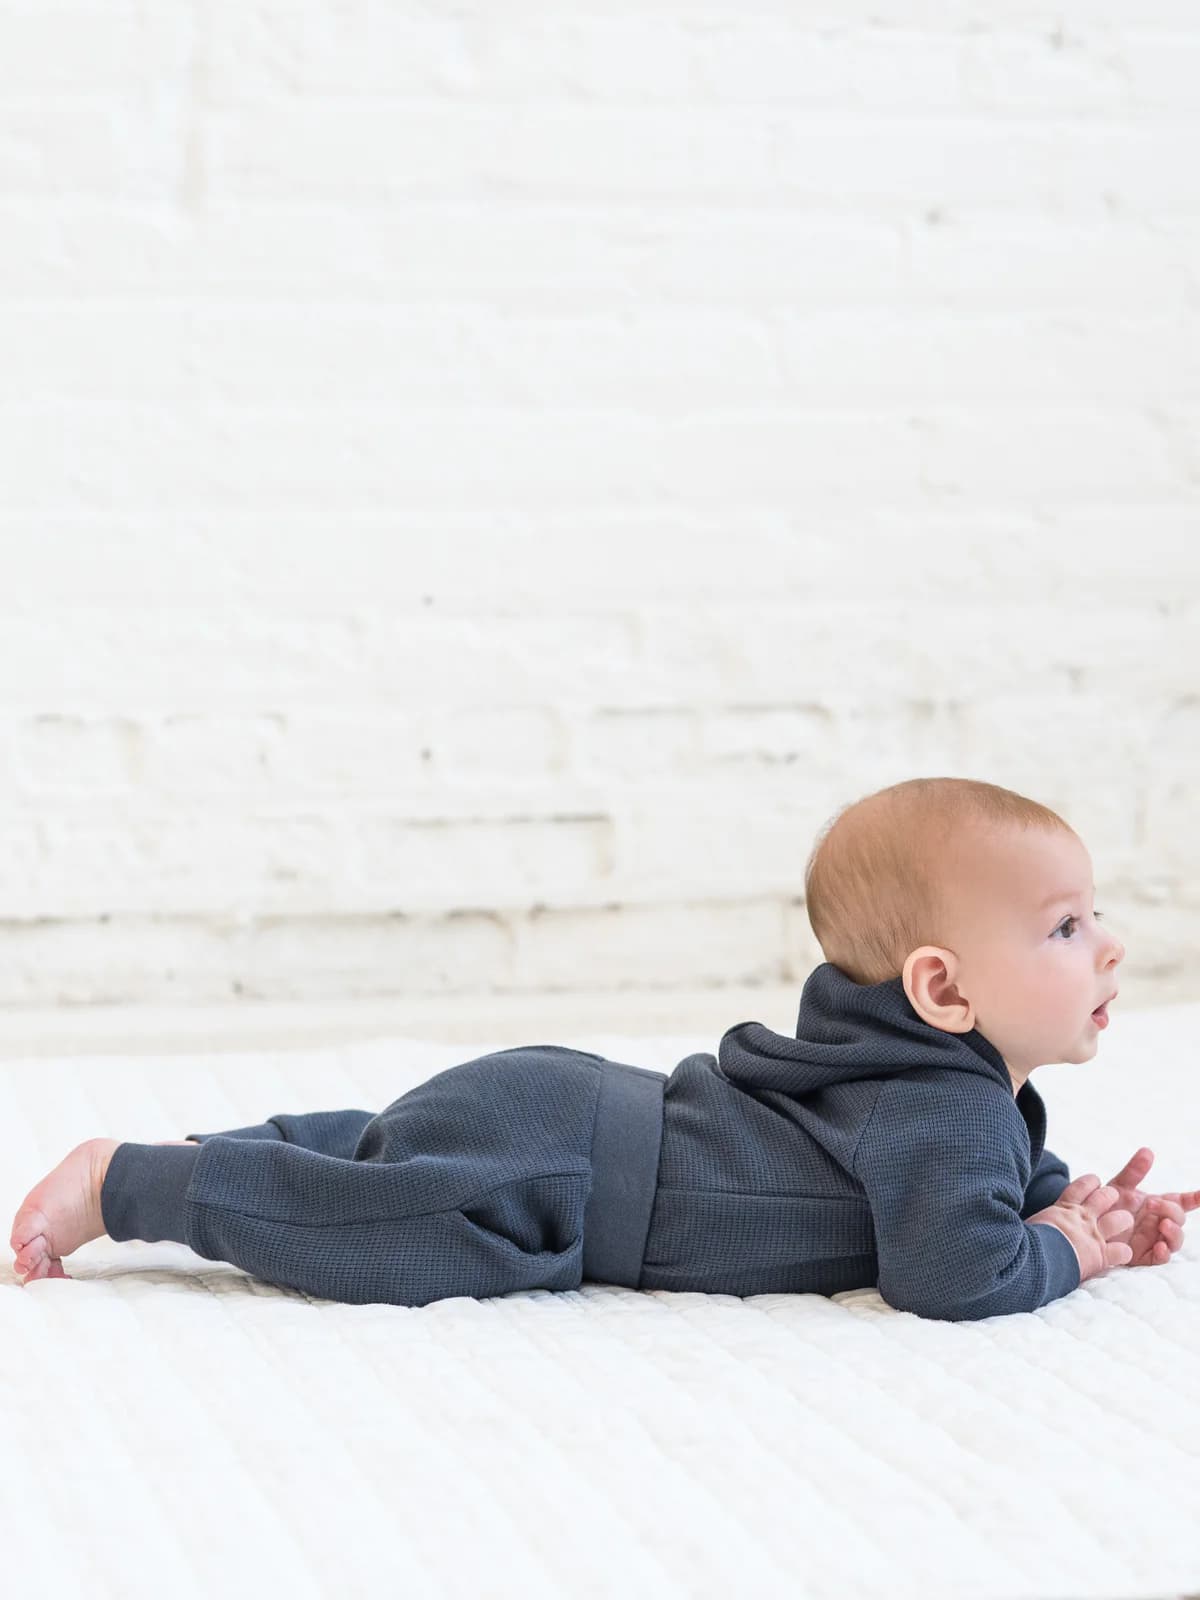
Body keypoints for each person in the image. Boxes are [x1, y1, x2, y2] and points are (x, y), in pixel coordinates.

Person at [10, 776, 1198, 1320]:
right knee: (362, 1230)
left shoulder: (939, 1092)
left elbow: (977, 1192)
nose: (1111, 945)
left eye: (1092, 914)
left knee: (386, 1152)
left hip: (569, 1114)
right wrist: (1064, 1251)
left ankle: (209, 1148)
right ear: (941, 988)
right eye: (1065, 926)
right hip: (567, 1182)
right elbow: (954, 1273)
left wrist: (1082, 1206)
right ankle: (130, 1181)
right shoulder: (946, 1110)